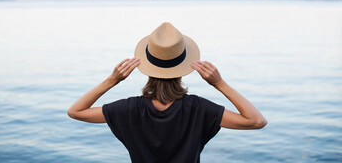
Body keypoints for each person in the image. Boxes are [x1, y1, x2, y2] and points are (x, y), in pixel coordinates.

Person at [68, 22, 267, 163]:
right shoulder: (198, 108)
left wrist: (113, 79)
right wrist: (219, 83)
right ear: (182, 65)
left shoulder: (129, 109)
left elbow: (76, 111)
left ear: (147, 64)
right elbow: (256, 121)